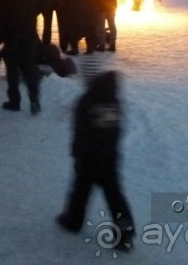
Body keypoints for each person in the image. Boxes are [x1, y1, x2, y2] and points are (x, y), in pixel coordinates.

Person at [56, 59, 135, 252]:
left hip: (90, 156)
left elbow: (82, 132)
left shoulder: (89, 100)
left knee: (81, 190)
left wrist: (79, 153)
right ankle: (124, 232)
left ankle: (73, 221)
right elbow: (111, 131)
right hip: (109, 156)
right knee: (113, 194)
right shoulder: (110, 97)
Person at [0, 0, 44, 115]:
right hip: (29, 27)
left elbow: (1, 4)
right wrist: (33, 11)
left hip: (11, 28)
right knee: (29, 65)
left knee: (12, 66)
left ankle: (14, 100)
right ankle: (34, 97)